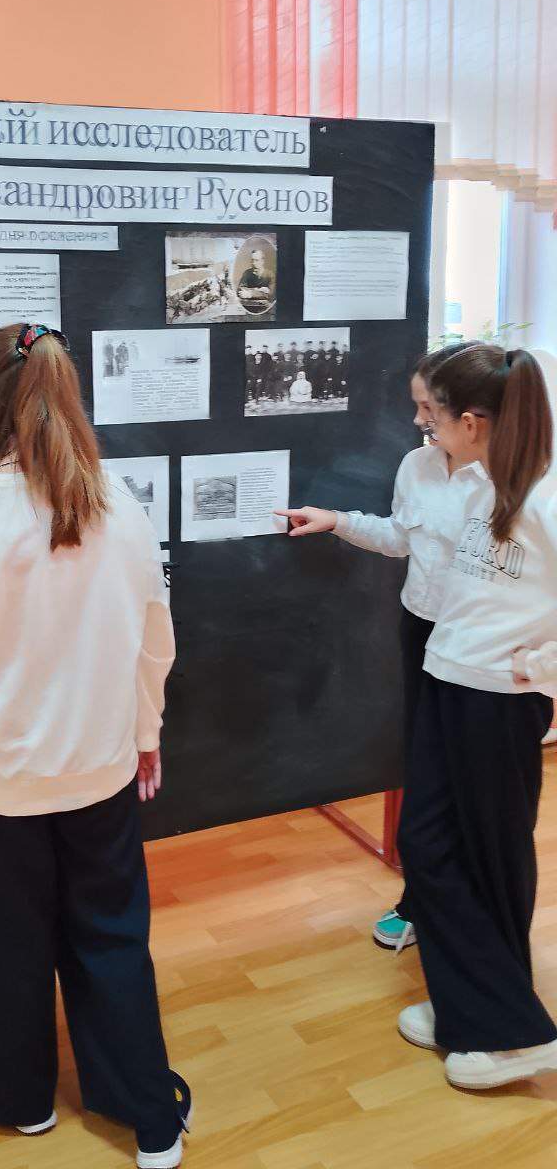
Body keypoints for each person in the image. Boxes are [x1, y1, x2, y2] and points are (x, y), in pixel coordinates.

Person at [0, 322, 190, 1169]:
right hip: (99, 769)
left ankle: (16, 1100)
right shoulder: (120, 507)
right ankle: (148, 1117)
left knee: (5, 943)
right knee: (113, 938)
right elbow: (154, 642)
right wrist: (145, 733)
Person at [385, 344, 557, 1089]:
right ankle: (476, 1006)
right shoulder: (486, 486)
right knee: (427, 844)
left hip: (500, 701)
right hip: (448, 679)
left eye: (436, 418)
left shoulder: (547, 497)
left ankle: (512, 1034)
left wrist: (539, 669)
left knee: (492, 855)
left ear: (474, 422)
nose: (426, 427)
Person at [276, 342, 482, 952]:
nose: (416, 420)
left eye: (427, 409)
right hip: (421, 630)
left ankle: (475, 910)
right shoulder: (417, 466)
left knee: (477, 783)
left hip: (482, 647)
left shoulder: (516, 483)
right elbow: (400, 538)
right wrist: (338, 521)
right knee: (427, 773)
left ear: (469, 417)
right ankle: (421, 900)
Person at [235, 246, 274, 315]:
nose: (254, 263)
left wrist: (250, 294)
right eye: (252, 260)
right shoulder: (247, 273)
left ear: (262, 261)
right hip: (249, 308)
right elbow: (240, 290)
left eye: (256, 260)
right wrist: (258, 290)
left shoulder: (270, 274)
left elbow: (270, 294)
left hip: (265, 309)